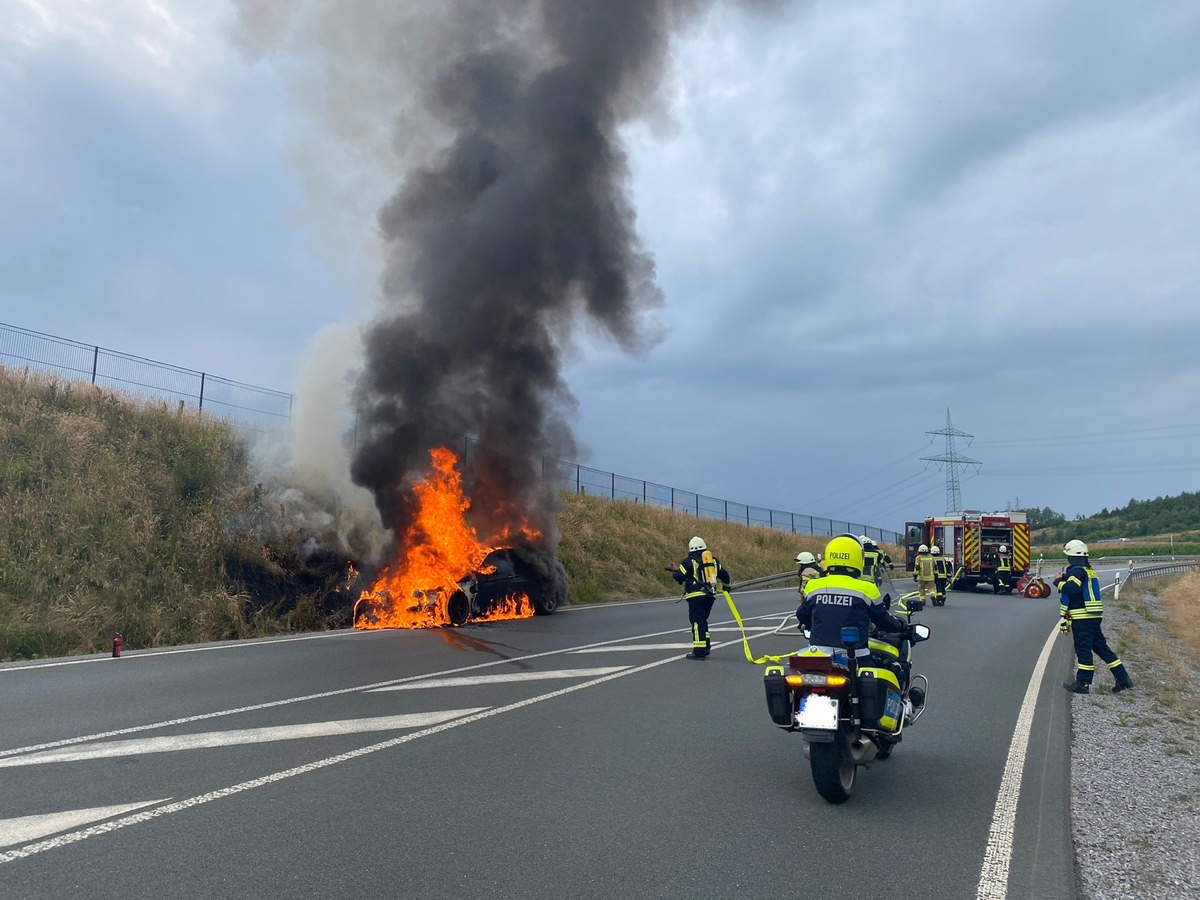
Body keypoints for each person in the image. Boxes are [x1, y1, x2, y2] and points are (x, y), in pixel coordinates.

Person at [797, 534, 916, 691]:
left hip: (819, 658)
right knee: (888, 674)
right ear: (857, 558)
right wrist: (901, 626)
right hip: (856, 657)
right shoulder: (867, 588)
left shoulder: (813, 585)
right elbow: (883, 621)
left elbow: (802, 615)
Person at [1055, 539, 1134, 694]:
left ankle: (1082, 684)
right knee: (1101, 648)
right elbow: (1080, 586)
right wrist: (1065, 577)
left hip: (1082, 617)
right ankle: (1123, 678)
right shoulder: (1088, 570)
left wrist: (1058, 581)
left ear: (1071, 556)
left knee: (1083, 650)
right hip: (1093, 616)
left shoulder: (1077, 570)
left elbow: (1072, 589)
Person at [671, 536, 730, 660]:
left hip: (695, 596)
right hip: (710, 595)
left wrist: (674, 571)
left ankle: (699, 651)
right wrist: (726, 587)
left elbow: (679, 576)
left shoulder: (688, 561)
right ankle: (706, 647)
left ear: (690, 549)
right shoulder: (713, 561)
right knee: (703, 621)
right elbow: (725, 575)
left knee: (697, 622)